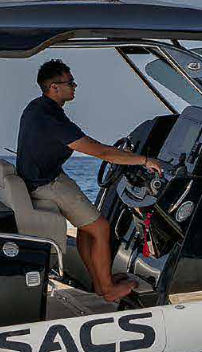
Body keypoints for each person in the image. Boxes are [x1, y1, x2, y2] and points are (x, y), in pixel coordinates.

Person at [16, 58, 163, 303]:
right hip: (47, 184)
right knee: (101, 228)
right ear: (54, 87)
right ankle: (108, 290)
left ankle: (100, 281)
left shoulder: (39, 108)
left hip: (42, 178)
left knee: (88, 228)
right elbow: (101, 152)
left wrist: (125, 156)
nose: (75, 86)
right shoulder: (51, 120)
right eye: (70, 82)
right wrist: (144, 160)